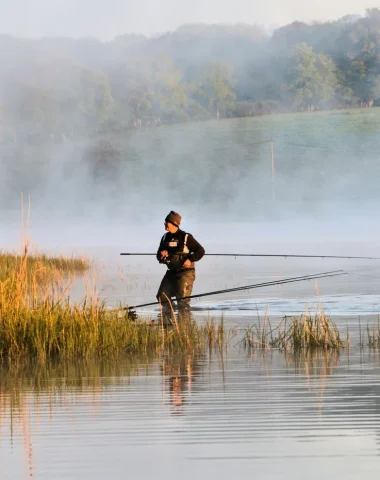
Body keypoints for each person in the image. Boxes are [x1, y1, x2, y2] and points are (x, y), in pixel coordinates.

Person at [156, 210, 205, 326]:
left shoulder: (186, 237)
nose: (164, 224)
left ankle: (184, 329)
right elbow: (158, 256)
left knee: (182, 301)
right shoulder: (164, 238)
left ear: (173, 223)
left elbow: (201, 251)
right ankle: (169, 325)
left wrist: (190, 259)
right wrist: (161, 256)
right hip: (171, 273)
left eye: (166, 222)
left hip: (185, 273)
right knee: (162, 296)